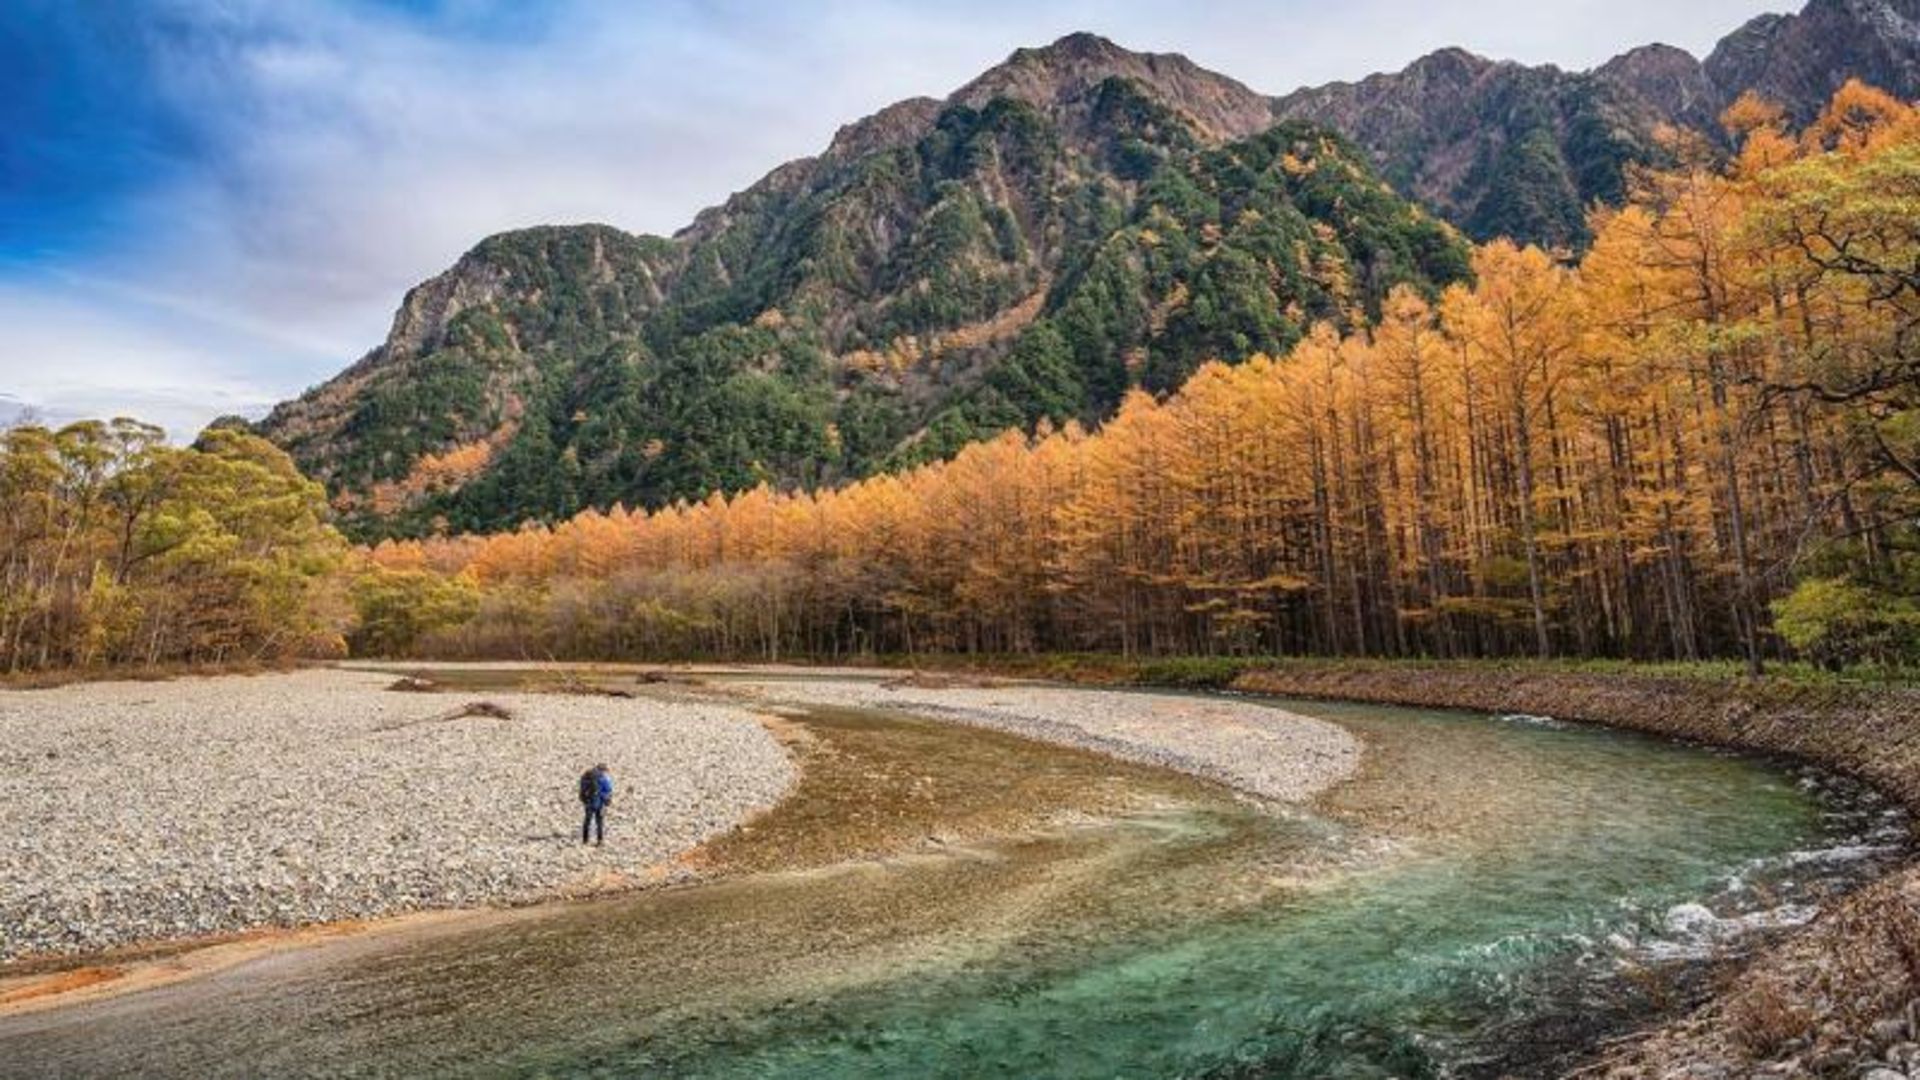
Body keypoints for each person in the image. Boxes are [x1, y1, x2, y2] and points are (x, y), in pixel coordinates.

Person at [578, 763, 613, 845]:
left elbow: (582, 789)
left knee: (587, 821)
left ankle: (585, 840)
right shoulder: (603, 778)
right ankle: (600, 840)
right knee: (599, 822)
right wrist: (607, 800)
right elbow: (608, 790)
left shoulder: (587, 776)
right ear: (603, 770)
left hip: (588, 802)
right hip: (599, 803)